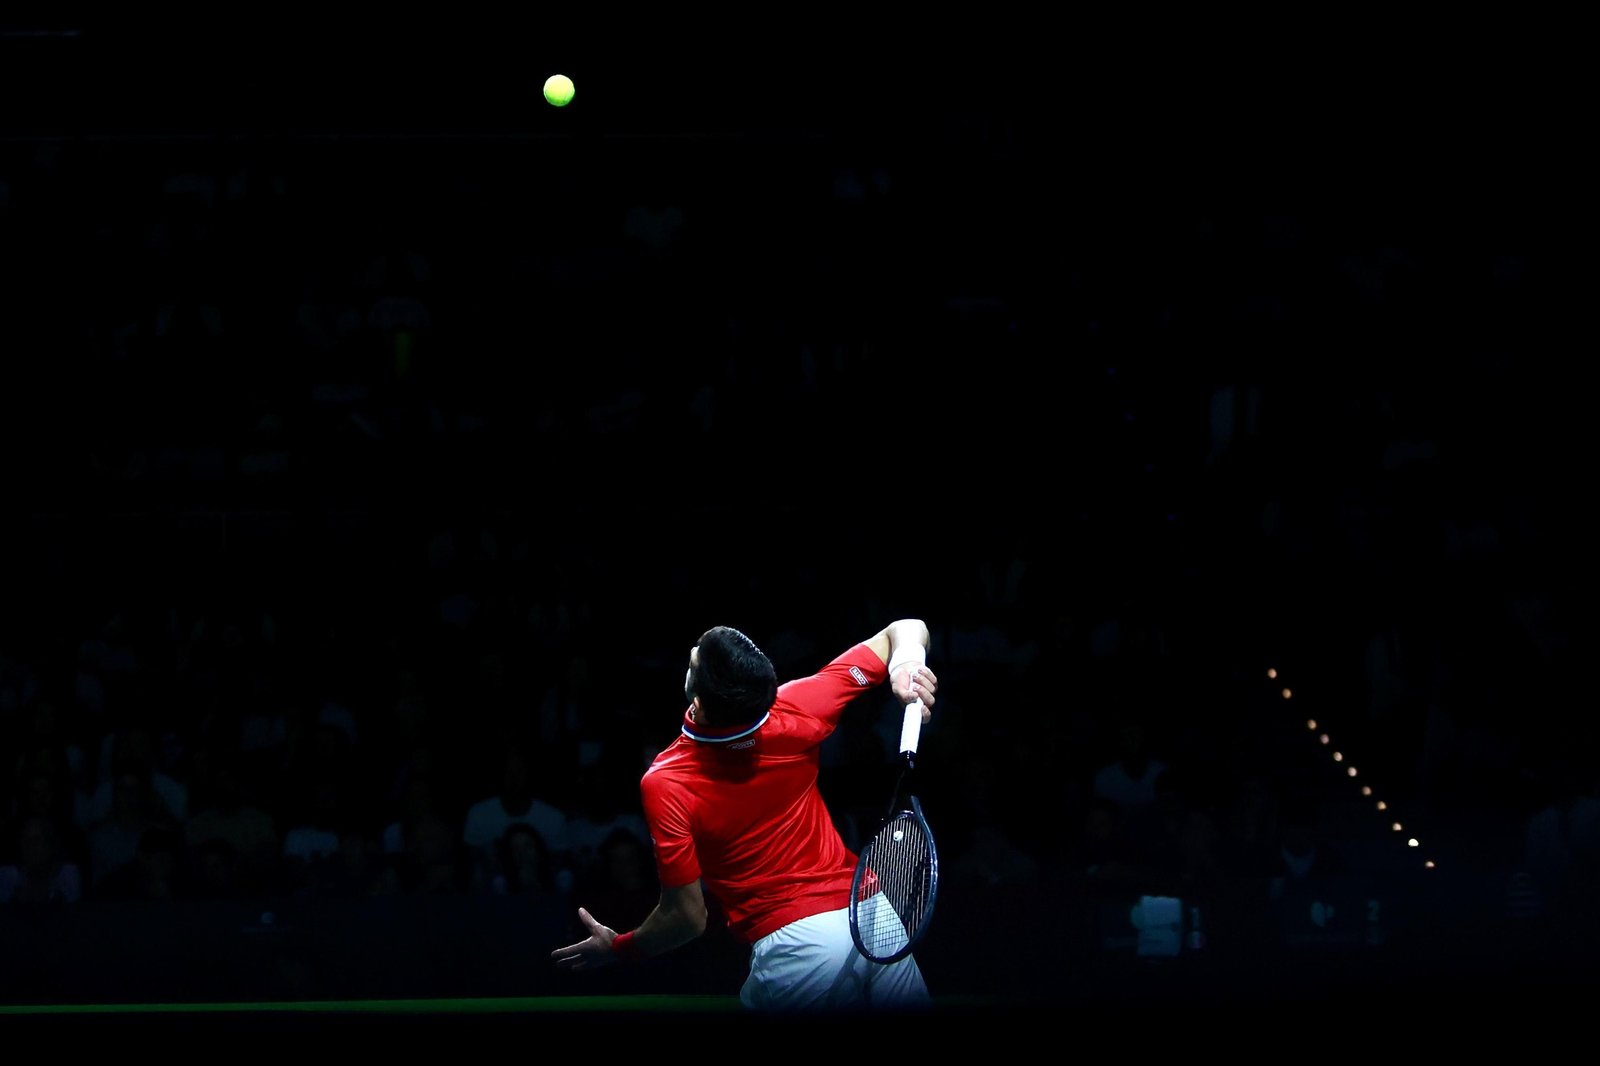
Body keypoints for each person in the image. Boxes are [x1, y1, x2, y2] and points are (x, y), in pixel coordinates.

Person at [551, 620, 938, 1012]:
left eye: (695, 661)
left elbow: (686, 918)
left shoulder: (669, 782)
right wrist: (905, 663)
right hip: (875, 917)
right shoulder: (800, 706)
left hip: (799, 947)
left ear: (700, 701)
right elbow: (907, 628)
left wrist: (619, 947)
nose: (692, 653)